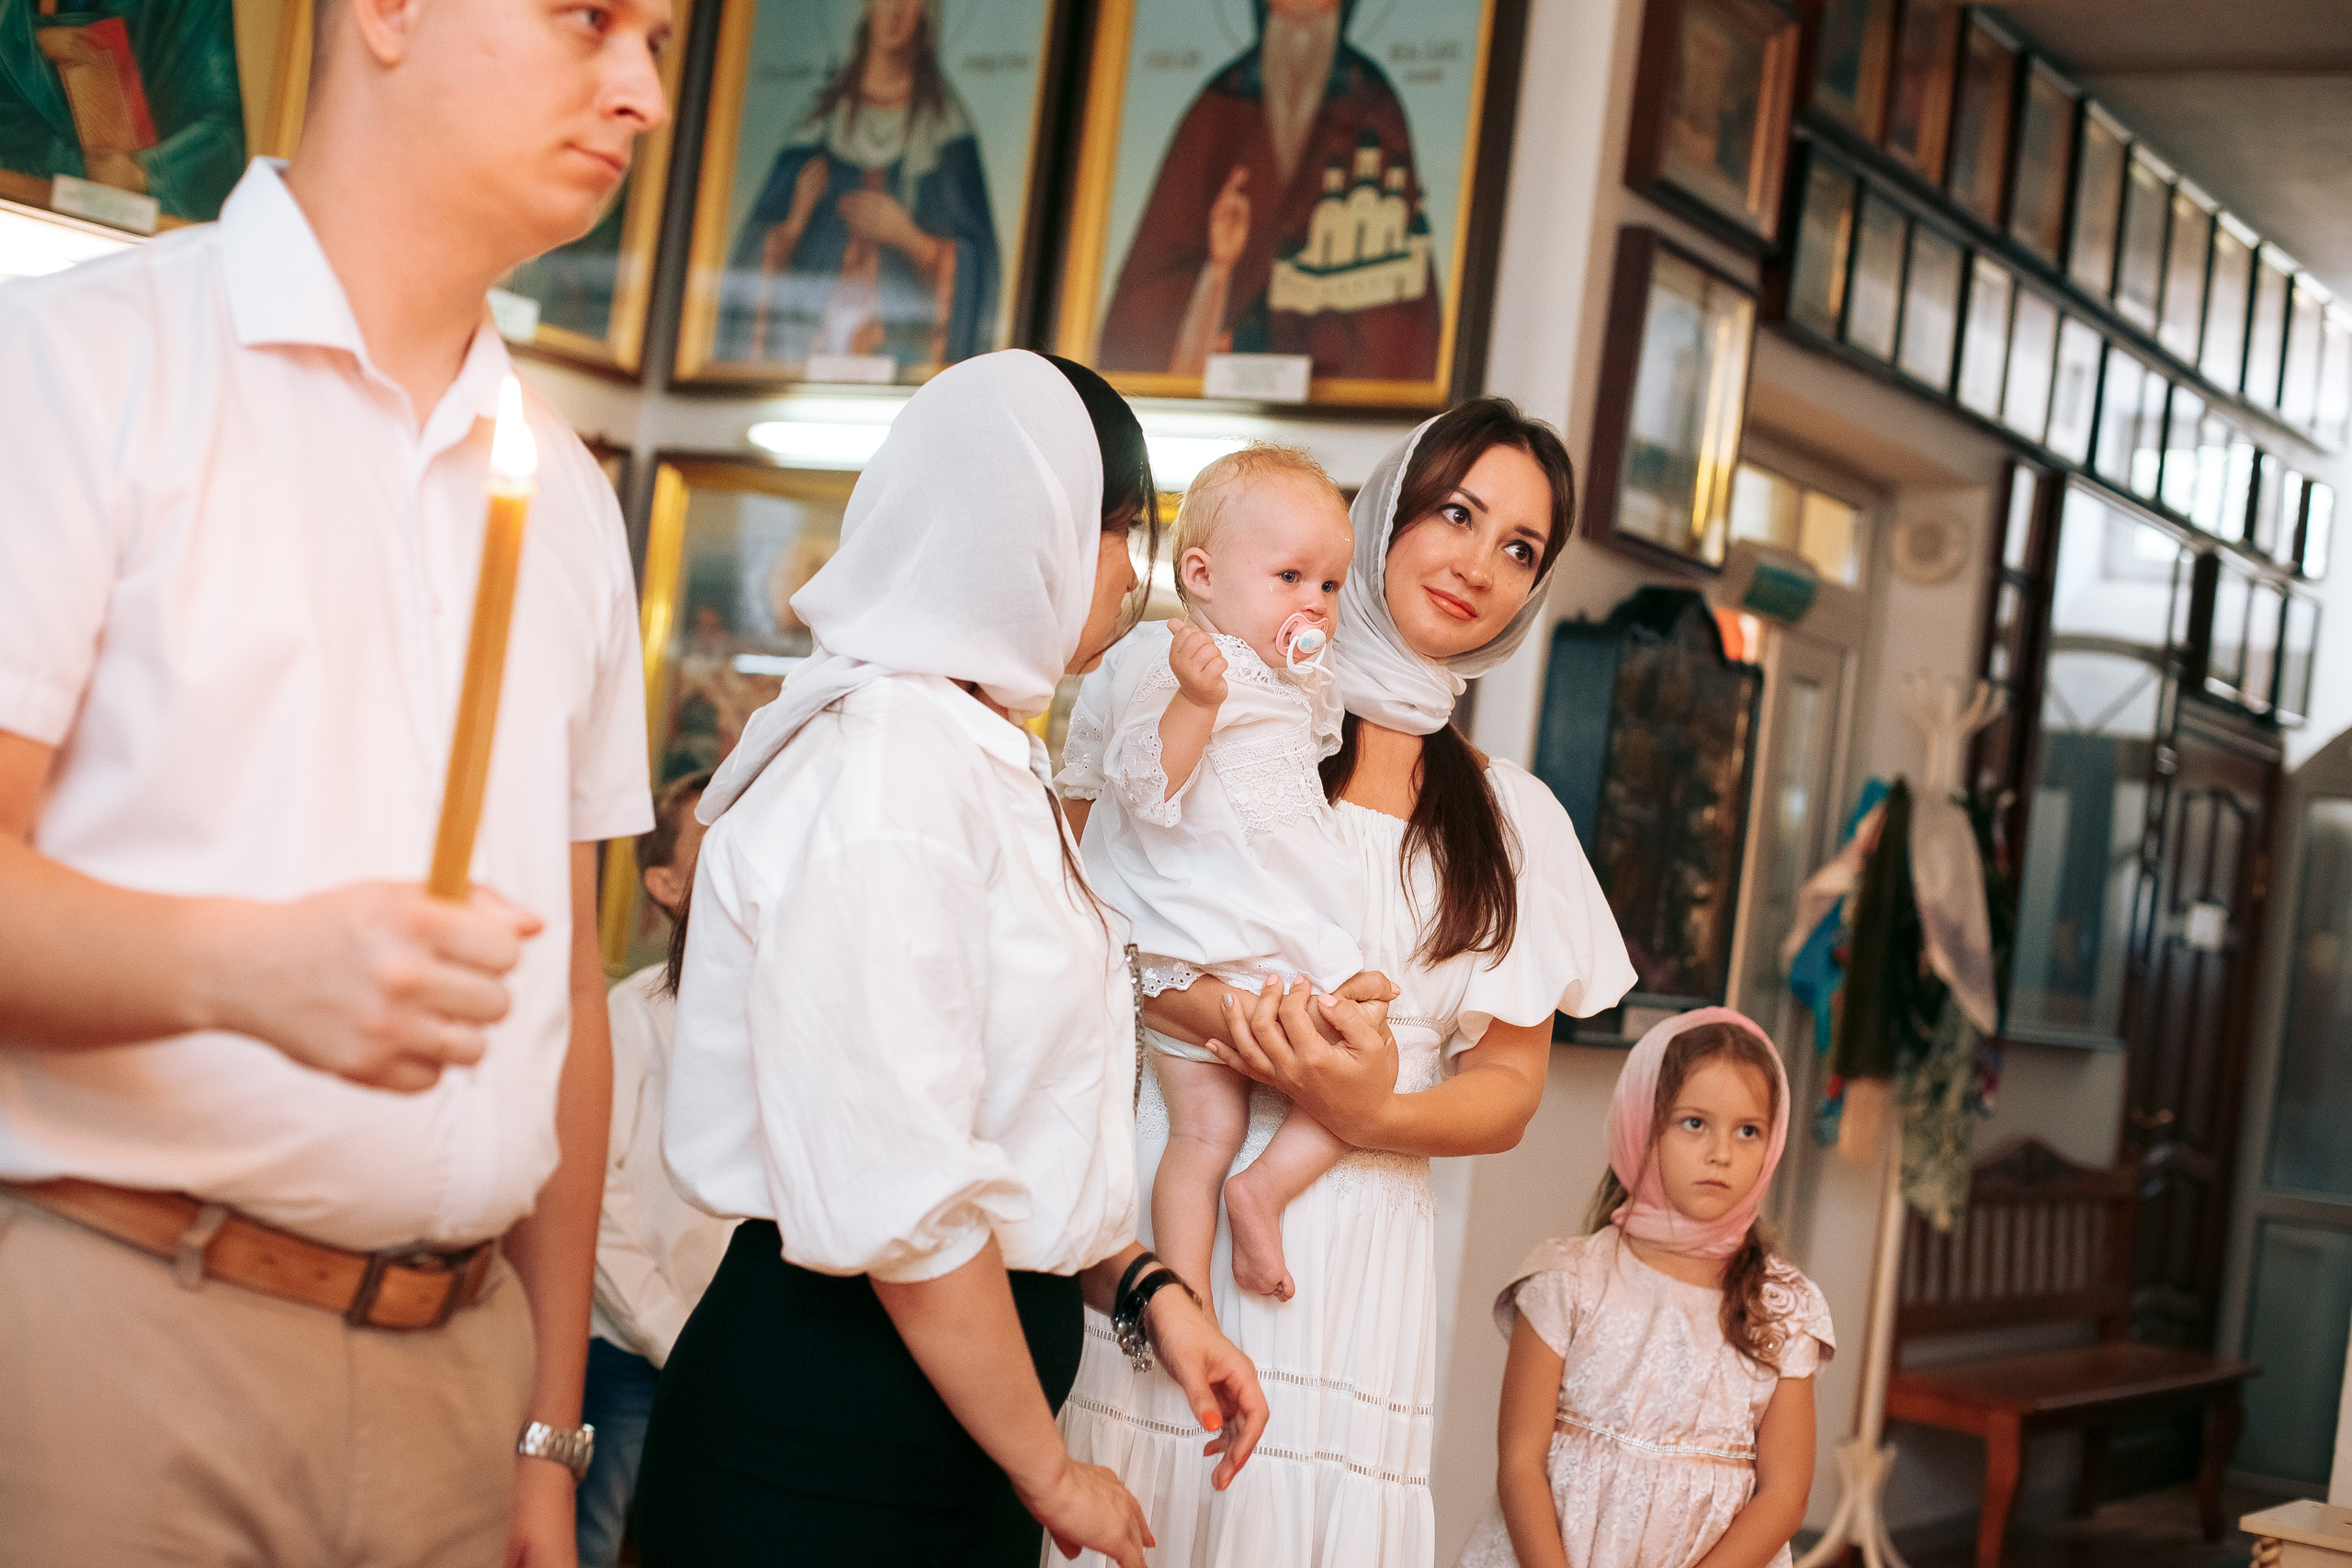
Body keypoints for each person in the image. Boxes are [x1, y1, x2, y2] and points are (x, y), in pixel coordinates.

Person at [0, 0, 670, 1559]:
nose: (636, 90)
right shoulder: (82, 368)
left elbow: (564, 997)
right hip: (134, 1326)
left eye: (659, 43)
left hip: (463, 1375)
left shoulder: (564, 496)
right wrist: (248, 970)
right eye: (590, 21)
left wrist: (544, 1433)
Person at [631, 349, 1269, 1568]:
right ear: (1017, 525)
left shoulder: (985, 752)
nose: (1133, 573)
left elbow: (1009, 1124)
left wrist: (1144, 1290)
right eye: (1118, 529)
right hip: (837, 1424)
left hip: (953, 1418)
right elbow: (902, 1196)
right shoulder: (891, 766)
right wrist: (1052, 1470)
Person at [1057, 398, 1640, 1567]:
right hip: (1166, 1204)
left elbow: (1511, 1086)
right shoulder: (1222, 718)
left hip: (1362, 1249)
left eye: (1519, 548)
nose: (1478, 564)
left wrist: (1374, 1111)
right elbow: (1072, 935)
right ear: (1383, 517)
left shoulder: (1510, 818)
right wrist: (1224, 1017)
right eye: (1457, 514)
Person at [1056, 444, 1392, 1307]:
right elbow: (1142, 784)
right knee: (1212, 1124)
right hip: (1198, 934)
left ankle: (1259, 1192)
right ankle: (1182, 1296)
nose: (1312, 604)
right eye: (1289, 577)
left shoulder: (1296, 683)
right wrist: (1195, 703)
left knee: (1343, 1073)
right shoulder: (1166, 658)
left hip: (1274, 933)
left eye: (1327, 585)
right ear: (1200, 573)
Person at [1455, 1010, 1832, 1568]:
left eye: (1748, 1130)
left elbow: (1783, 1496)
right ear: (1638, 1124)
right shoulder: (1569, 1281)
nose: (1721, 1153)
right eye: (1694, 1123)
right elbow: (1520, 1463)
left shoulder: (1782, 1307)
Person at [1098, 0, 1441, 381]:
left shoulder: (1372, 105)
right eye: (1288, 15)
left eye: (1315, 15)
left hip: (1325, 370)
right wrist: (1219, 268)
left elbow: (1400, 309)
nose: (1300, 32)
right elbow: (1155, 273)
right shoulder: (1220, 104)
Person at [576, 771, 735, 1568]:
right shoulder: (630, 1017)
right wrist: (676, 1335)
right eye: (714, 842)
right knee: (595, 1540)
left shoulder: (775, 1017)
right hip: (631, 1351)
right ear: (666, 884)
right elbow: (593, 1203)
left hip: (732, 1358)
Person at [720, 0, 997, 376]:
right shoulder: (818, 125)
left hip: (901, 351)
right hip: (810, 351)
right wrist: (795, 224)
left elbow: (979, 263)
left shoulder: (946, 129)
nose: (895, 11)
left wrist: (910, 238)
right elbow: (751, 256)